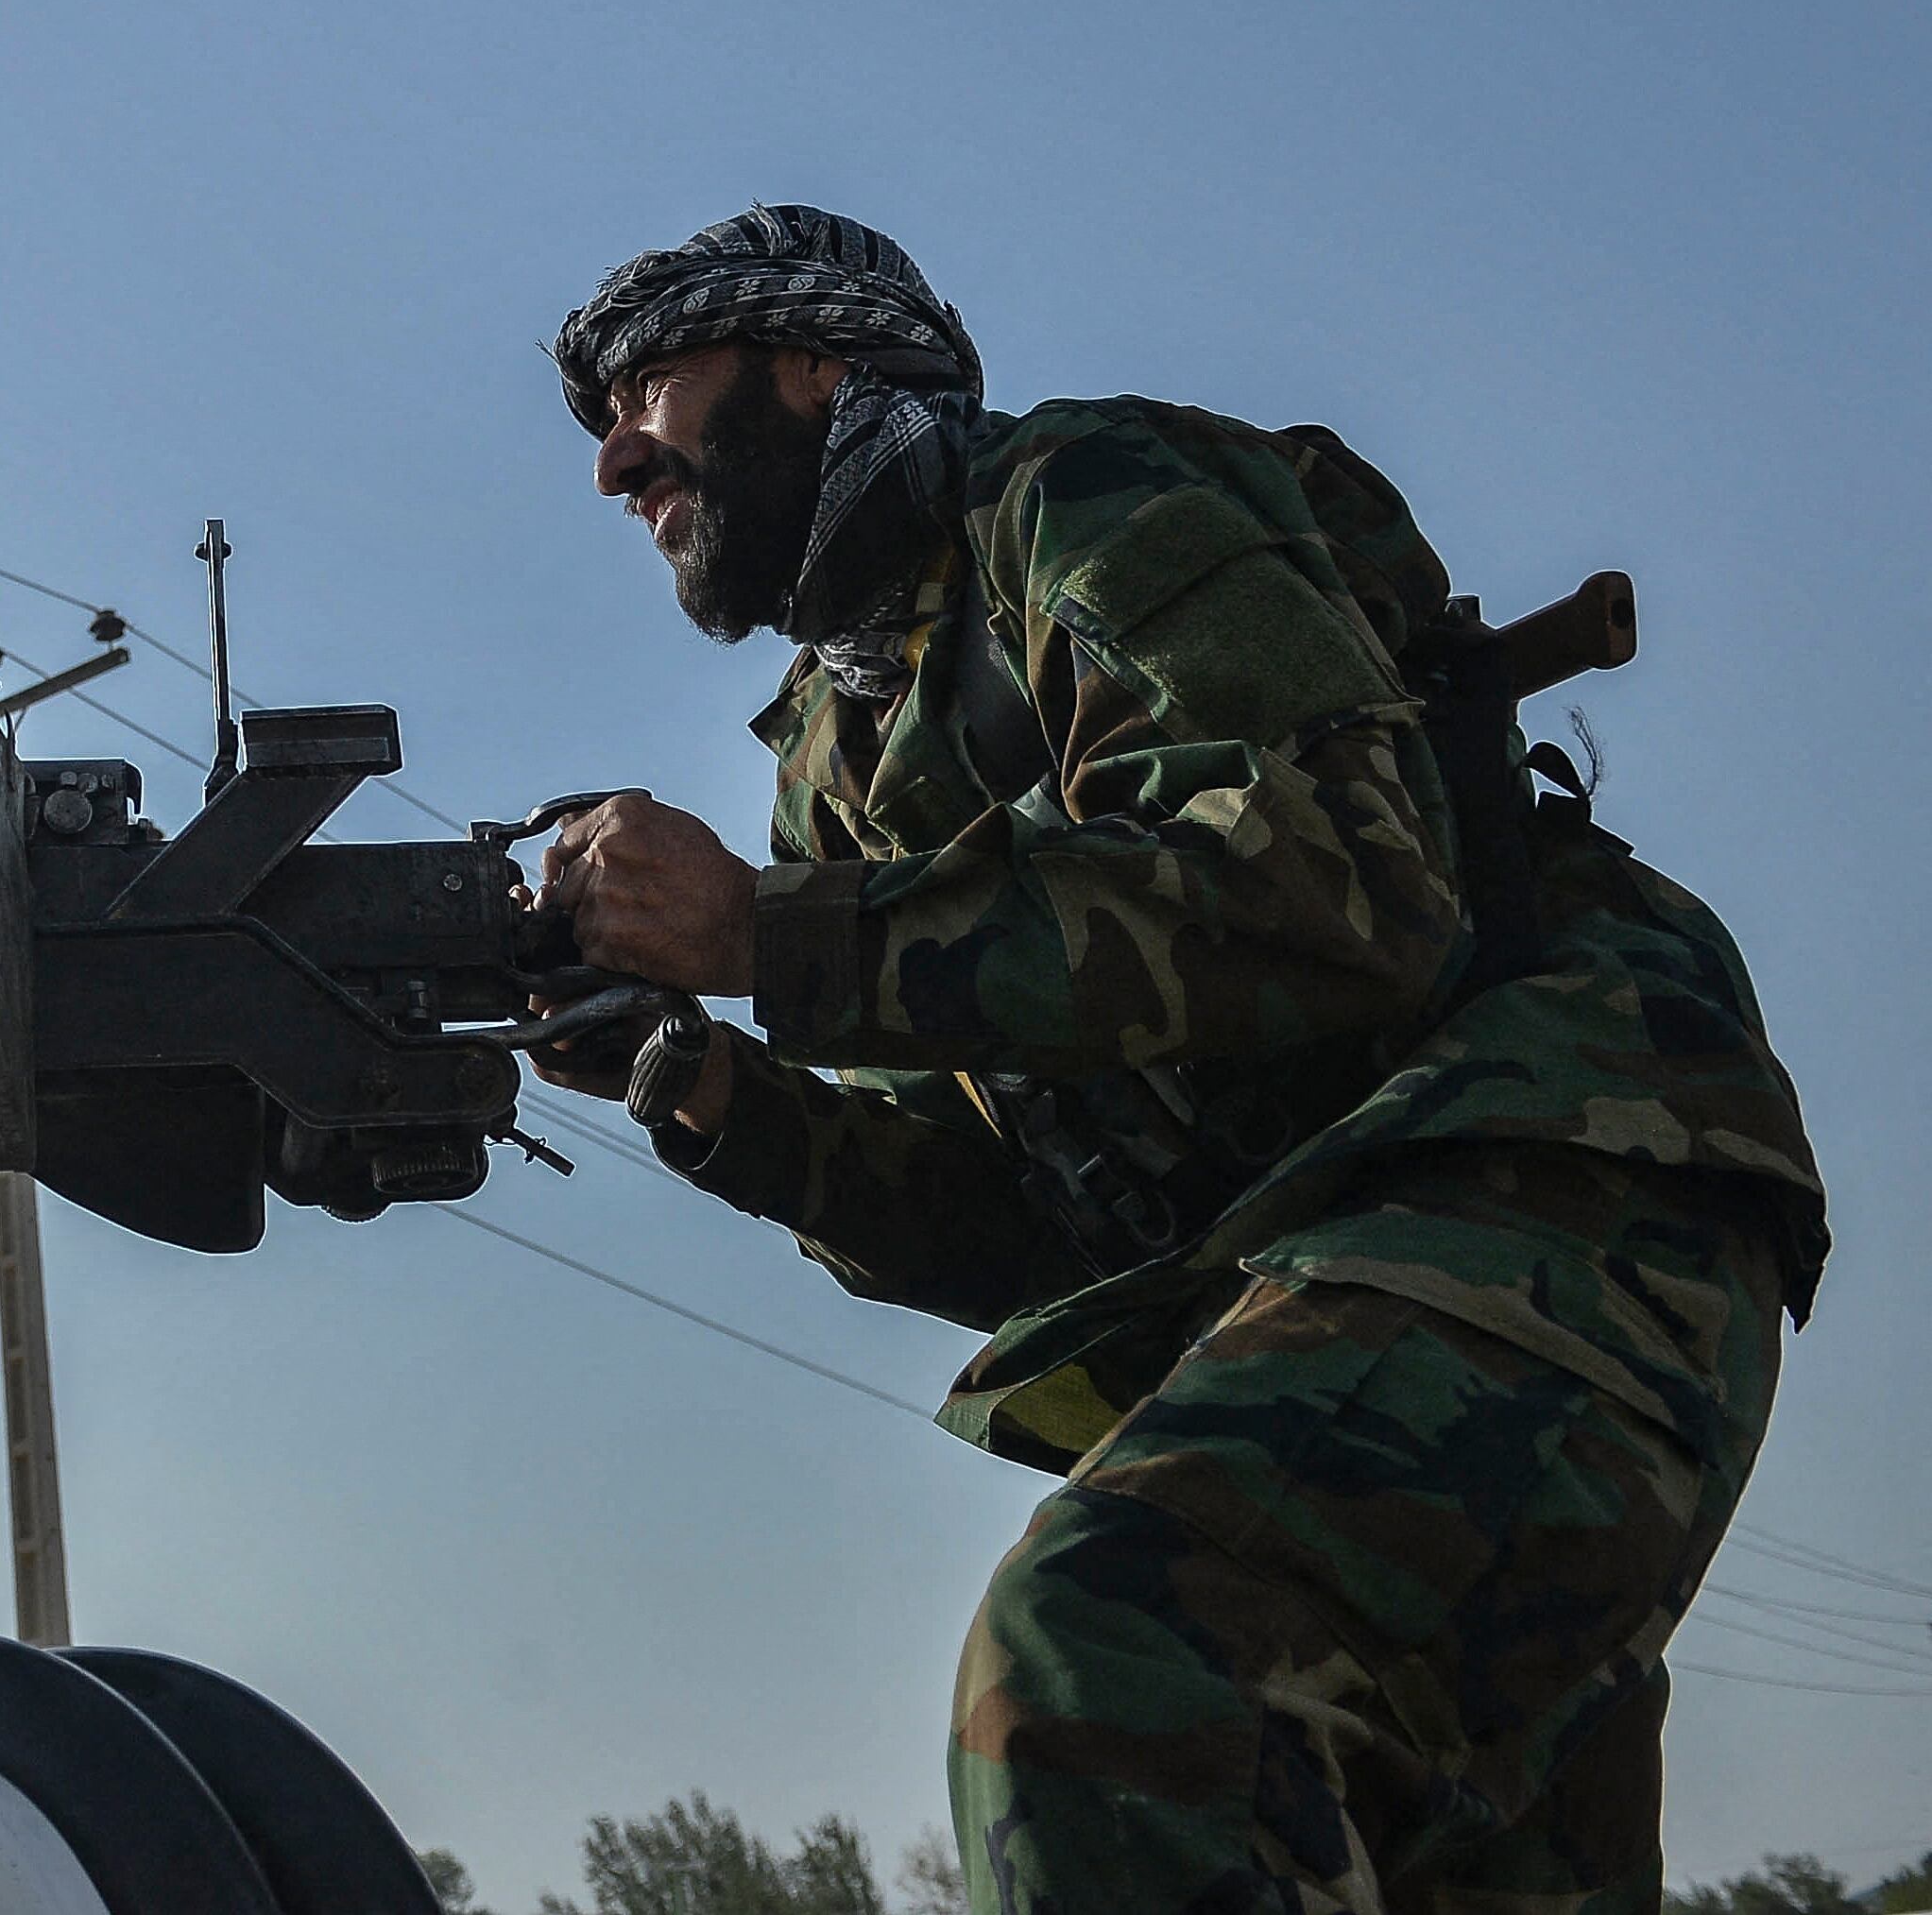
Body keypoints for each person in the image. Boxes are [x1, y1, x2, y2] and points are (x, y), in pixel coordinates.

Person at [527, 205, 1825, 1915]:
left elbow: (1341, 890)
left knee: (1112, 1661)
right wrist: (709, 1090)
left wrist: (773, 936)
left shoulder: (1080, 500)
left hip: (1545, 1180)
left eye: (651, 391)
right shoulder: (837, 765)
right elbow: (1022, 1228)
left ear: (812, 363)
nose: (618, 462)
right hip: (1320, 1272)